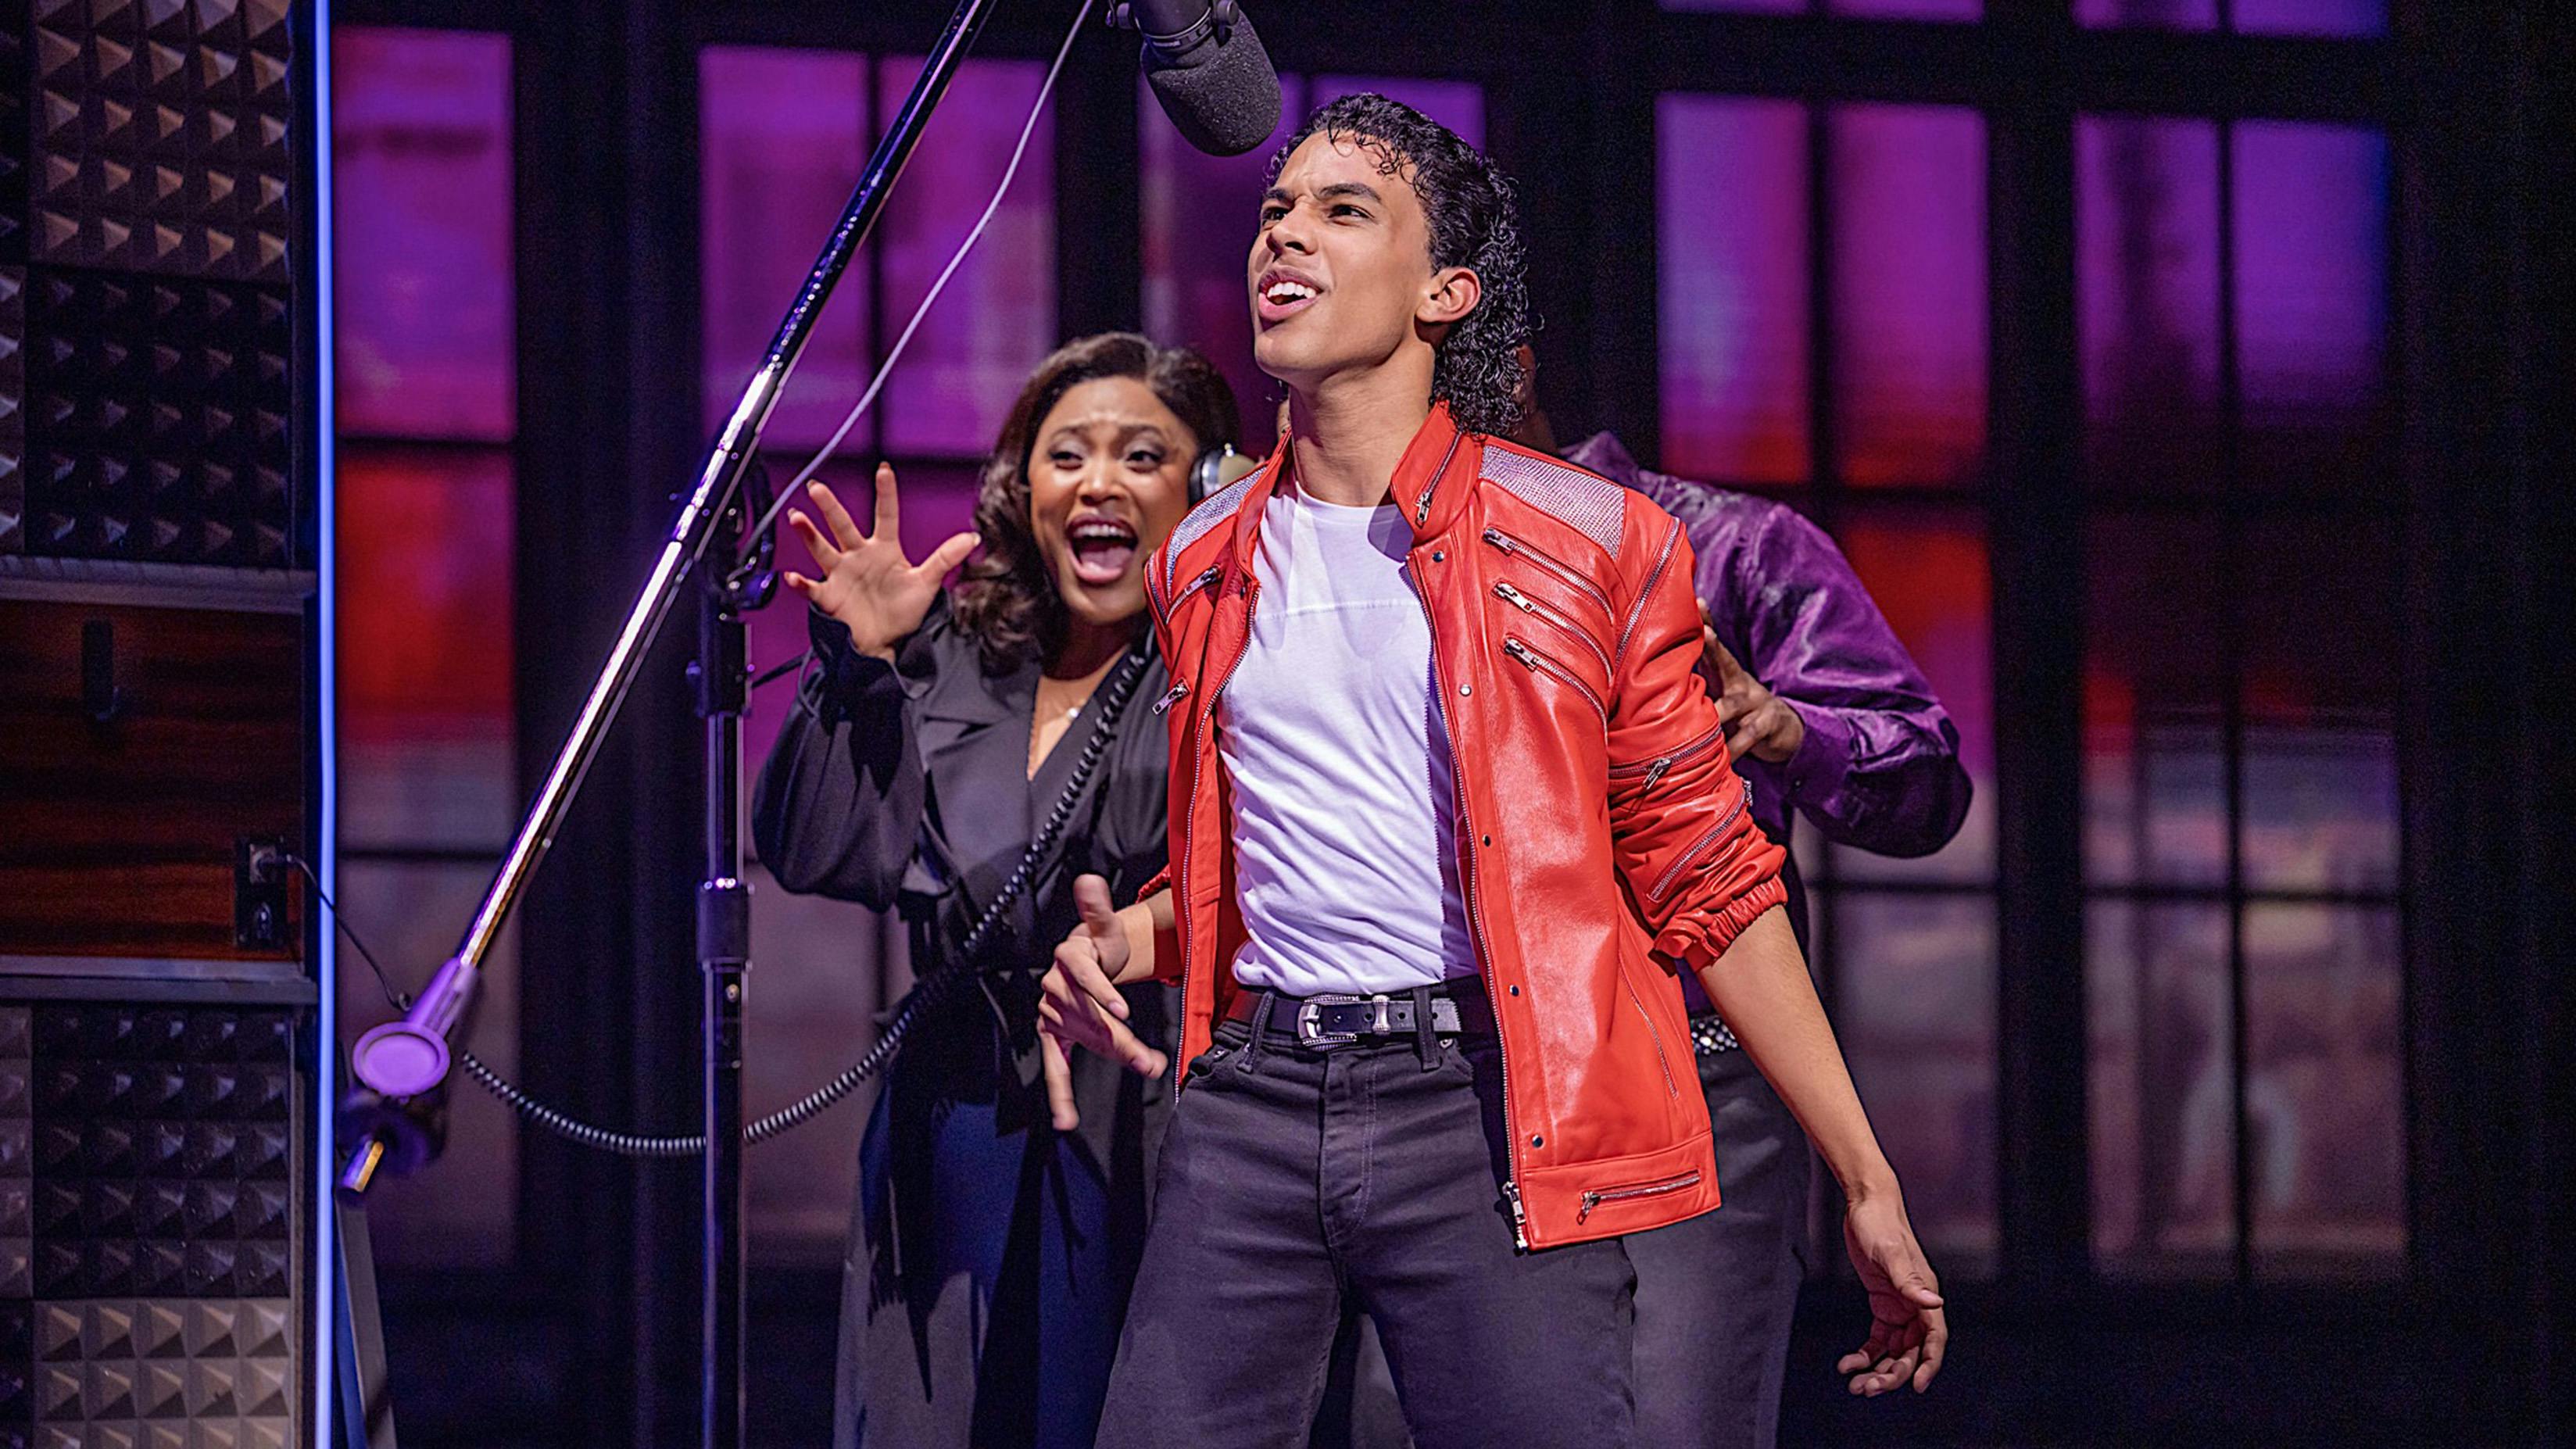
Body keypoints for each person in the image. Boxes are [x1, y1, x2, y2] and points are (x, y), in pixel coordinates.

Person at [1037, 95, 1946, 1449]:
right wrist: (1130, 937)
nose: (1286, 232)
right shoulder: (1201, 556)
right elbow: (1293, 862)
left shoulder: (1595, 542)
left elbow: (1708, 870)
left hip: (1475, 1101)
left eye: (1344, 210)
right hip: (1251, 1104)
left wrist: (1862, 1170)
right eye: (1279, 209)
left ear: (1446, 292)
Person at [751, 333, 1240, 1449]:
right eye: (1067, 455)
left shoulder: (1220, 666)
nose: (1099, 482)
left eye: (1141, 456)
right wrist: (856, 668)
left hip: (1138, 1105)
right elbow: (816, 850)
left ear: (1207, 484)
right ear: (1027, 490)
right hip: (953, 1113)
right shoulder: (961, 653)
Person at [1522, 351, 1975, 1449]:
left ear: (1501, 360)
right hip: (1474, 1085)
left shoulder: (1729, 546)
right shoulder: (1392, 563)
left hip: (1701, 1074)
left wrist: (1787, 727)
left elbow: (1927, 780)